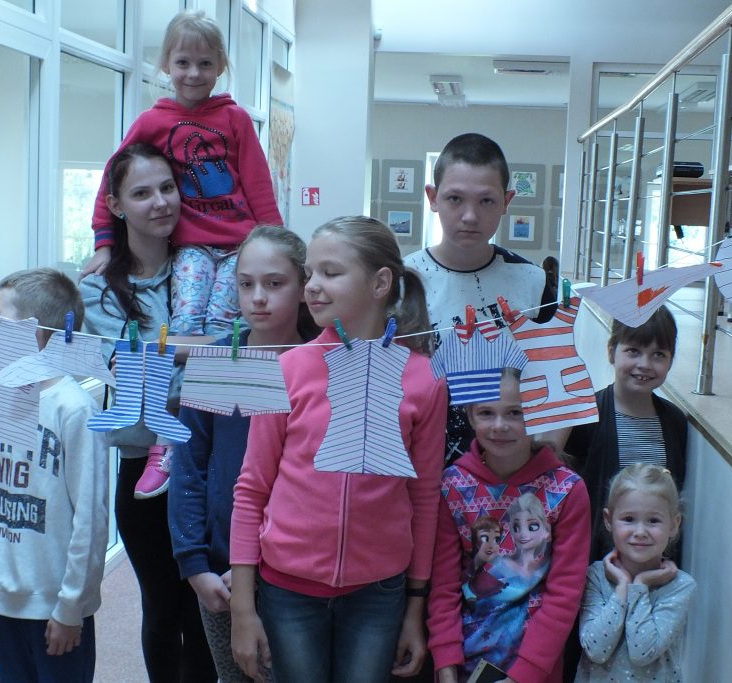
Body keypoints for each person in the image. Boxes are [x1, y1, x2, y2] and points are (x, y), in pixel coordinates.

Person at [229, 216, 448, 683]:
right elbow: (251, 491)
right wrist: (243, 610)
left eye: (330, 273)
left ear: (380, 283)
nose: (312, 286)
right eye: (310, 273)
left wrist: (415, 606)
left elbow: (425, 497)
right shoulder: (288, 369)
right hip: (287, 589)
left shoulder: (424, 379)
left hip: (378, 593)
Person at [80, 143, 217, 682]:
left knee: (207, 606)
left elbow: (245, 343)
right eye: (141, 193)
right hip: (144, 469)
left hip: (211, 464)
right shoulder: (98, 288)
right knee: (162, 608)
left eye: (167, 188)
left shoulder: (207, 268)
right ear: (115, 205)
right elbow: (132, 371)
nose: (160, 202)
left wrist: (168, 352)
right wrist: (204, 349)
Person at [169, 225, 318, 682]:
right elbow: (189, 467)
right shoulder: (216, 362)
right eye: (246, 283)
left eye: (274, 283)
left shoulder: (318, 364)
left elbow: (318, 483)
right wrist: (194, 564)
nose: (258, 298)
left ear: (303, 286)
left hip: (296, 570)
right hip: (220, 569)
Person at [82, 9, 281, 341]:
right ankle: (178, 375)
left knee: (223, 327)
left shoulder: (236, 118)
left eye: (205, 63)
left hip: (240, 245)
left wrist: (277, 245)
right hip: (191, 246)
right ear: (166, 64)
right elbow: (112, 181)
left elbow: (258, 186)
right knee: (185, 322)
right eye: (183, 63)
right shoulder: (151, 122)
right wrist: (103, 243)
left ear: (220, 65)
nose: (194, 73)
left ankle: (212, 376)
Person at [0, 268, 108, 681]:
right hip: (1, 598)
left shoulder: (74, 409)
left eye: (0, 320)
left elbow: (91, 519)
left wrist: (71, 607)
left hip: (55, 606)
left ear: (38, 333)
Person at [428, 370, 590, 683]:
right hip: (461, 666)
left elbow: (564, 595)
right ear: (470, 416)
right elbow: (444, 586)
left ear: (537, 413)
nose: (500, 425)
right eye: (487, 413)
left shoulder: (568, 490)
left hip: (533, 670)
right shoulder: (452, 484)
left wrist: (525, 673)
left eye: (515, 413)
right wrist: (445, 661)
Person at [404, 132, 557, 465]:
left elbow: (555, 383)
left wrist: (541, 466)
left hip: (510, 467)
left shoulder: (532, 281)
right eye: (455, 199)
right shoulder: (402, 282)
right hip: (420, 461)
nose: (470, 216)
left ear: (506, 201)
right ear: (433, 197)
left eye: (486, 201)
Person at [559, 306, 687, 564]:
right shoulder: (586, 416)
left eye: (658, 355)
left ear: (671, 360)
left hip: (655, 566)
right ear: (611, 351)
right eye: (633, 351)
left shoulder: (675, 421)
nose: (645, 365)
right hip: (595, 564)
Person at [575, 464, 695, 682]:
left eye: (653, 521)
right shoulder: (596, 576)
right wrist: (622, 587)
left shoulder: (680, 586)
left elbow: (643, 652)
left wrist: (639, 585)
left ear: (674, 524)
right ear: (608, 520)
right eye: (629, 519)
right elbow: (596, 649)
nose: (640, 532)